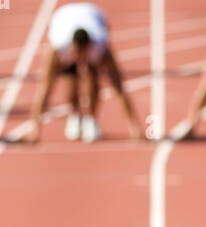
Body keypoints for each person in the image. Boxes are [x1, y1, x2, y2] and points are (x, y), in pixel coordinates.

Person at [27, 4, 142, 143]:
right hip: (63, 16)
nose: (81, 58)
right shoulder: (58, 47)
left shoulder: (100, 47)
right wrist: (35, 130)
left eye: (84, 54)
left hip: (94, 14)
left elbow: (118, 86)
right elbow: (45, 87)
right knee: (70, 81)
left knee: (94, 78)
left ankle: (91, 119)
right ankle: (75, 115)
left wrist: (135, 127)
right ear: (72, 47)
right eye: (78, 54)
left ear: (89, 46)